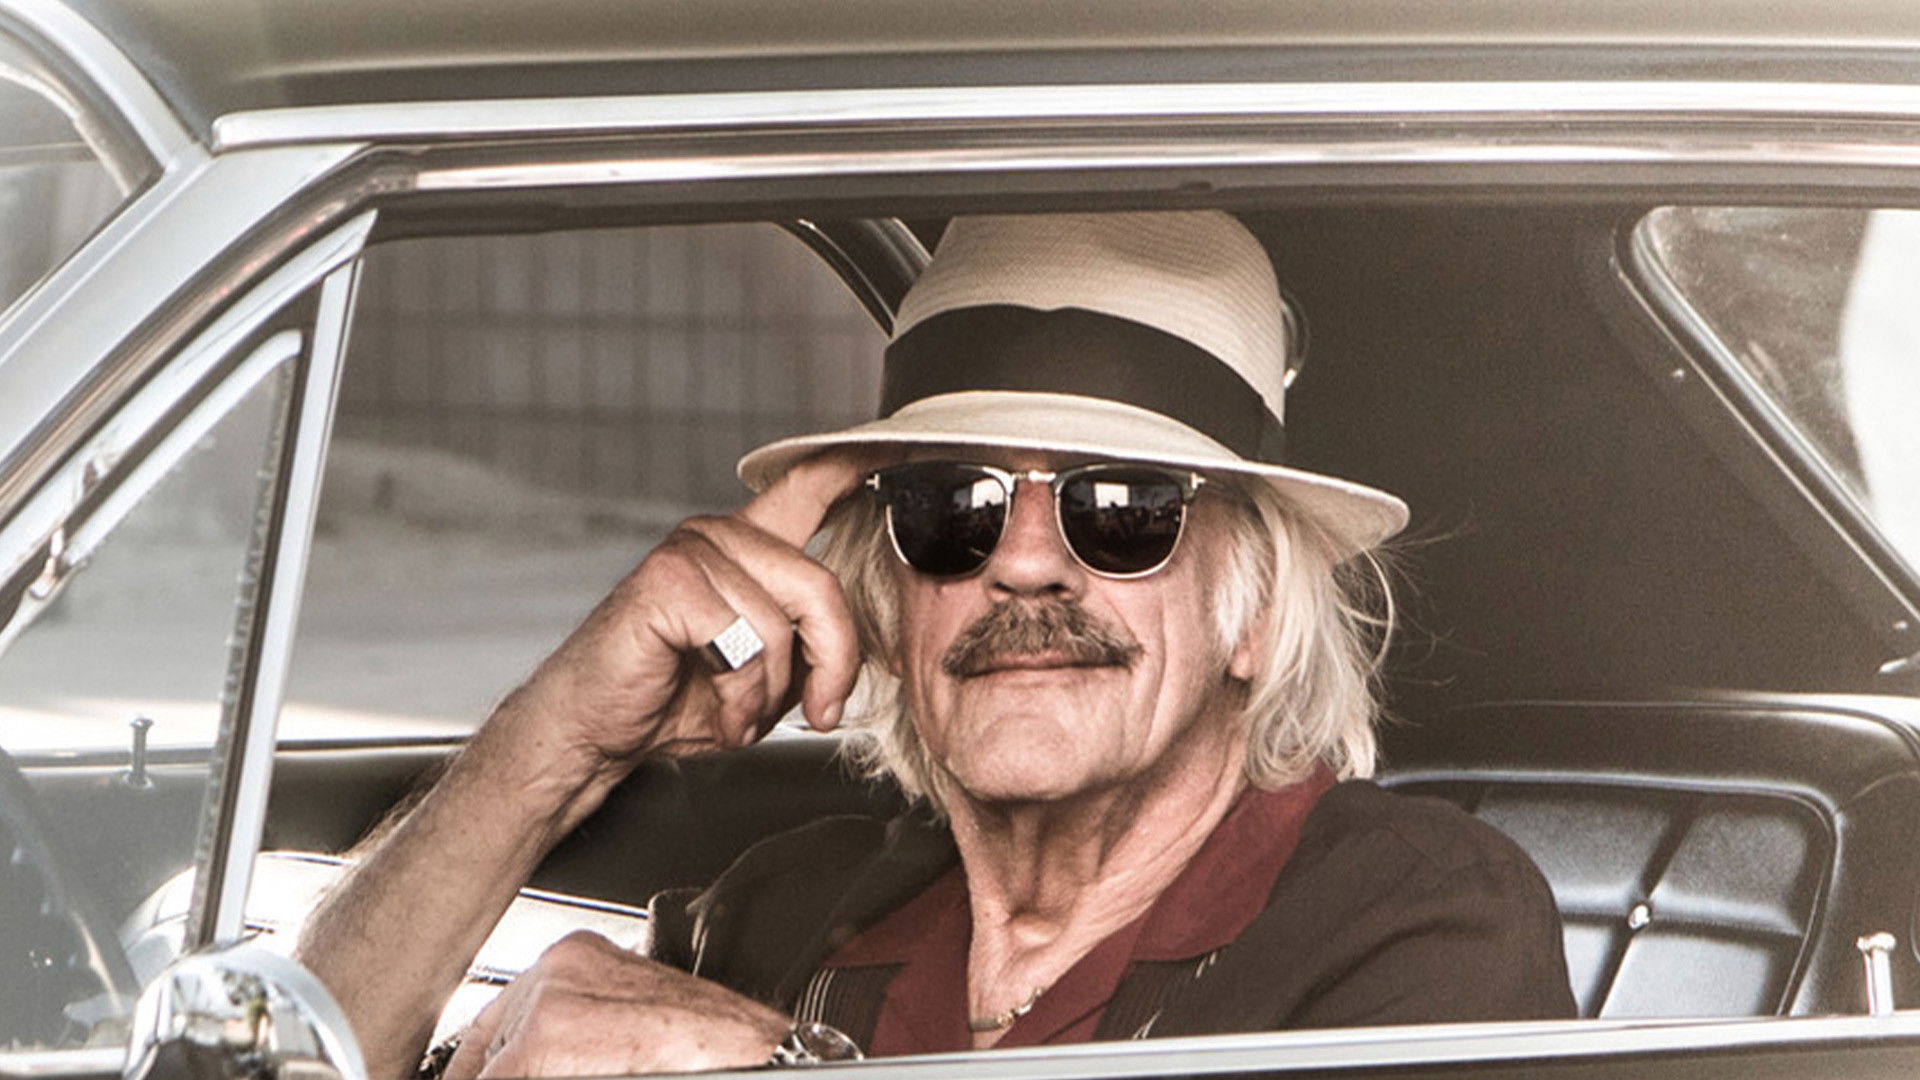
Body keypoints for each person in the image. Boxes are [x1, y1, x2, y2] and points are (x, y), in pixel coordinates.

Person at [298, 211, 1575, 1080]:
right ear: (890, 609)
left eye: (1122, 508)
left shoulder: (1416, 916)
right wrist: (559, 741)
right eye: (951, 508)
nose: (1023, 562)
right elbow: (301, 1057)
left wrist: (774, 1068)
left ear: (1250, 610)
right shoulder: (787, 910)